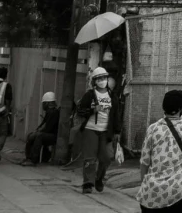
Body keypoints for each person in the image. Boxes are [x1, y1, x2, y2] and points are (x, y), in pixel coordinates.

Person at [72, 59, 120, 192]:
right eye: (98, 79)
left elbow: (116, 115)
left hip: (106, 131)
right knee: (90, 158)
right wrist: (93, 110)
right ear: (94, 81)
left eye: (103, 78)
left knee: (106, 158)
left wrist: (117, 132)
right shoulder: (89, 95)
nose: (101, 81)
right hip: (90, 129)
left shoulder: (113, 96)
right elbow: (80, 110)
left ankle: (99, 178)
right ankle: (88, 183)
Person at [24, 92, 61, 166]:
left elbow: (48, 128)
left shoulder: (53, 112)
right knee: (33, 135)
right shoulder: (50, 112)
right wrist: (36, 131)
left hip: (53, 135)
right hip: (50, 134)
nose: (42, 105)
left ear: (47, 103)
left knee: (39, 136)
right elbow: (44, 125)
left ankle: (33, 159)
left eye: (43, 103)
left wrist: (37, 132)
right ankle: (29, 157)